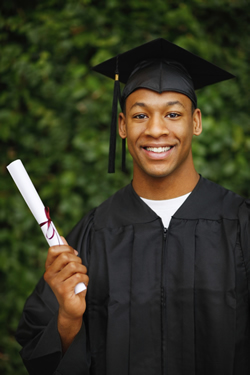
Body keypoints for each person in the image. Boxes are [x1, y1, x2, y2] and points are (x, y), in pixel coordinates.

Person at [15, 39, 250, 375]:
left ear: (195, 122)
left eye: (172, 114)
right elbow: (38, 349)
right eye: (141, 115)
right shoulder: (96, 233)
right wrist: (68, 318)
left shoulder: (240, 225)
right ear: (123, 126)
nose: (156, 130)